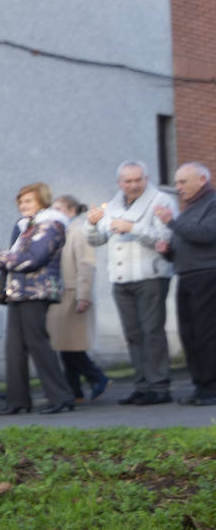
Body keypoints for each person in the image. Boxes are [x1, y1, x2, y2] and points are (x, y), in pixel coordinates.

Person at [0, 182, 74, 414]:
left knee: (37, 343)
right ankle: (18, 401)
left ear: (42, 201)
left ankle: (61, 397)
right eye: (21, 201)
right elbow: (15, 259)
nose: (23, 205)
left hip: (36, 291)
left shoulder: (51, 224)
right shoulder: (28, 227)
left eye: (29, 201)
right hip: (19, 292)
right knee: (14, 347)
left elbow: (32, 258)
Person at [88, 160, 174, 404]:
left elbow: (166, 238)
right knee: (133, 335)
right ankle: (142, 385)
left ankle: (159, 387)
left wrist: (133, 227)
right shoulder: (113, 204)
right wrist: (91, 224)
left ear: (146, 179)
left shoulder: (162, 201)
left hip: (151, 276)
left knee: (152, 332)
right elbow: (96, 240)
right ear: (120, 183)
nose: (134, 185)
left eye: (139, 180)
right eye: (129, 181)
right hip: (121, 279)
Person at [155, 162, 216, 405]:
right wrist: (168, 251)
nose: (178, 187)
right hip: (187, 275)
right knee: (189, 334)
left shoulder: (212, 203)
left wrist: (171, 222)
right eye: (177, 182)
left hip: (208, 275)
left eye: (183, 182)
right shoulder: (190, 208)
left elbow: (206, 234)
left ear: (201, 180)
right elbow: (187, 239)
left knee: (206, 334)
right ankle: (200, 386)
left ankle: (212, 388)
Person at [48, 197, 109, 403]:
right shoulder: (61, 232)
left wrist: (83, 296)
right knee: (65, 345)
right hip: (62, 293)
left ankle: (97, 377)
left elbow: (86, 264)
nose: (54, 213)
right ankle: (75, 391)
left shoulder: (79, 231)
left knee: (70, 345)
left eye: (59, 209)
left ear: (72, 211)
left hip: (73, 293)